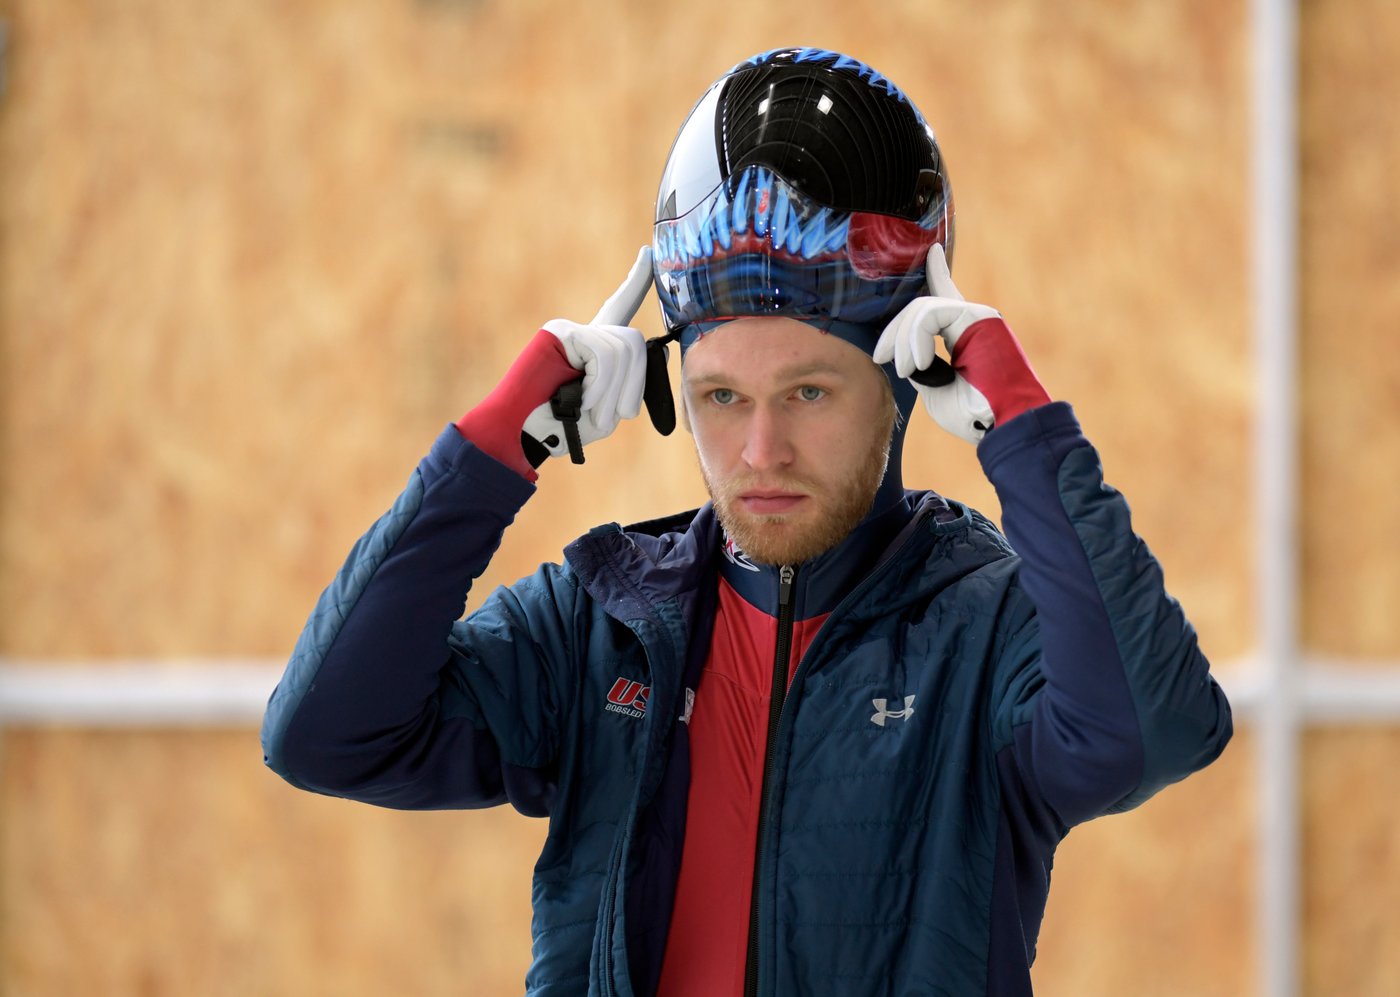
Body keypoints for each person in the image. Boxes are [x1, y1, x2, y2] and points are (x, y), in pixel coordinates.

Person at [262, 47, 1232, 997]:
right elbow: (328, 733)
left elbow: (1152, 732)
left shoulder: (981, 630)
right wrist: (495, 446)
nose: (759, 449)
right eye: (720, 396)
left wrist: (1019, 428)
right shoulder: (599, 622)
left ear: (902, 385)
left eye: (807, 392)